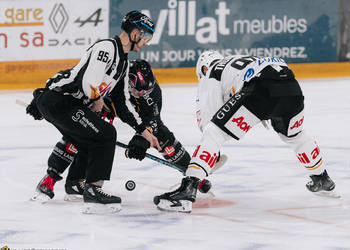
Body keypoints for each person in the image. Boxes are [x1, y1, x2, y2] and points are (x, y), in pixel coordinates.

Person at [153, 51, 339, 213]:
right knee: (295, 135)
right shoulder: (238, 60)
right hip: (291, 86)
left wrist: (209, 156)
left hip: (260, 88)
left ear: (202, 69)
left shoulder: (211, 72)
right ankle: (323, 179)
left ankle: (187, 190)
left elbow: (209, 122)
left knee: (213, 132)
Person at [26, 10, 161, 214]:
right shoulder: (107, 47)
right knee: (106, 134)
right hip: (60, 101)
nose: (146, 42)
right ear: (135, 33)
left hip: (66, 104)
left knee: (88, 139)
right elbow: (88, 80)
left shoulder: (123, 63)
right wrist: (97, 99)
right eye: (146, 37)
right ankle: (94, 191)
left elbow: (122, 103)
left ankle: (74, 185)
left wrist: (143, 130)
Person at [30, 59, 196, 202]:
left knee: (161, 136)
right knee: (79, 135)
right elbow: (74, 76)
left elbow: (152, 122)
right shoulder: (111, 76)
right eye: (137, 91)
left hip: (123, 111)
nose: (141, 95)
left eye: (145, 91)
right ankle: (54, 180)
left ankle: (193, 172)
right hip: (98, 106)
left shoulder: (153, 94)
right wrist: (45, 95)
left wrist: (141, 141)